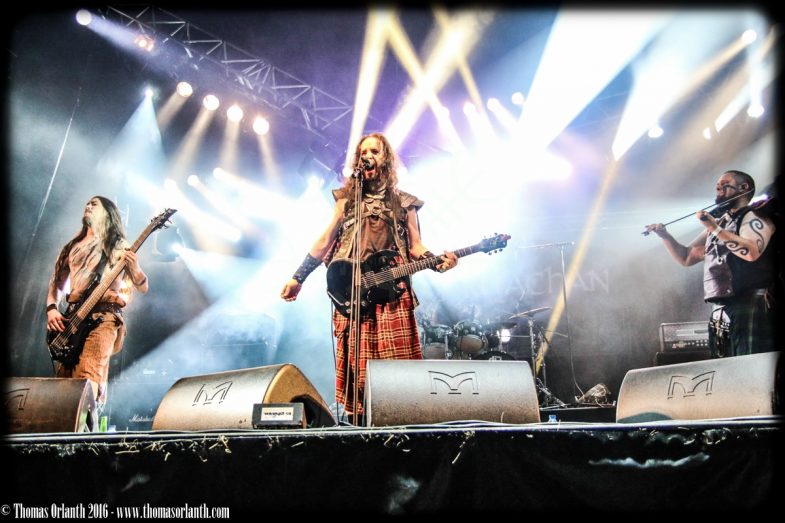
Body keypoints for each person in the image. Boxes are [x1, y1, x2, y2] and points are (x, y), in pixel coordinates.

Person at [280, 133, 458, 418]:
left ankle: (402, 425)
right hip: (354, 291)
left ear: (385, 158)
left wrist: (437, 263)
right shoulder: (346, 200)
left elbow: (416, 246)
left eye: (374, 151)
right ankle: (359, 427)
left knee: (397, 373)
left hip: (392, 293)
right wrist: (297, 277)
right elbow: (325, 241)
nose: (367, 157)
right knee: (358, 374)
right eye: (363, 153)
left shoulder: (404, 202)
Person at [645, 170, 779, 358]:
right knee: (722, 367)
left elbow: (751, 252)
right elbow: (687, 257)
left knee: (747, 364)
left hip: (749, 303)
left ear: (743, 188)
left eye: (725, 184)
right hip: (720, 308)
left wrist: (713, 227)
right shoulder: (721, 223)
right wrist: (665, 236)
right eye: (717, 186)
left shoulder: (754, 216)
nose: (719, 188)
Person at [46, 196, 149, 412]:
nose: (88, 206)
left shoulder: (119, 245)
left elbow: (143, 286)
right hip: (73, 317)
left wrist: (136, 268)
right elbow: (56, 283)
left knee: (88, 374)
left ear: (108, 213)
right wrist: (52, 309)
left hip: (104, 315)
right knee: (64, 382)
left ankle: (83, 425)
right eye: (87, 203)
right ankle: (66, 426)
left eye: (94, 204)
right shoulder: (72, 246)